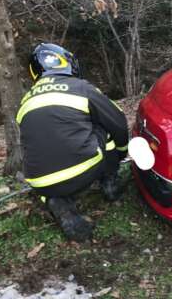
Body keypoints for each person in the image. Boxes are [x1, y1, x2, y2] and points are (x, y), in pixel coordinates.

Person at [17, 43, 129, 241]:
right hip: (83, 171)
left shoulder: (25, 101)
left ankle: (56, 200)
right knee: (104, 125)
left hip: (39, 182)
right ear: (66, 62)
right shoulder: (81, 88)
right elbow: (118, 121)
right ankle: (110, 182)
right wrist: (121, 153)